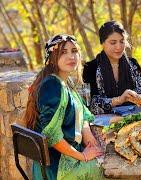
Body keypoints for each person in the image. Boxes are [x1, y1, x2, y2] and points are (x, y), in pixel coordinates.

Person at [24, 34, 104, 180]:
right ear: (52, 57)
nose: (71, 56)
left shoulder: (65, 82)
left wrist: (86, 131)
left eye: (74, 51)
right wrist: (82, 156)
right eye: (63, 52)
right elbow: (51, 135)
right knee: (108, 168)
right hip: (58, 166)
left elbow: (83, 110)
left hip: (67, 155)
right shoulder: (52, 85)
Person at [83, 21, 141, 114]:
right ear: (102, 43)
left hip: (134, 118)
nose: (119, 47)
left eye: (122, 41)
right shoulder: (90, 68)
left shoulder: (133, 64)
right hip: (105, 122)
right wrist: (120, 99)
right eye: (113, 43)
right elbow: (91, 105)